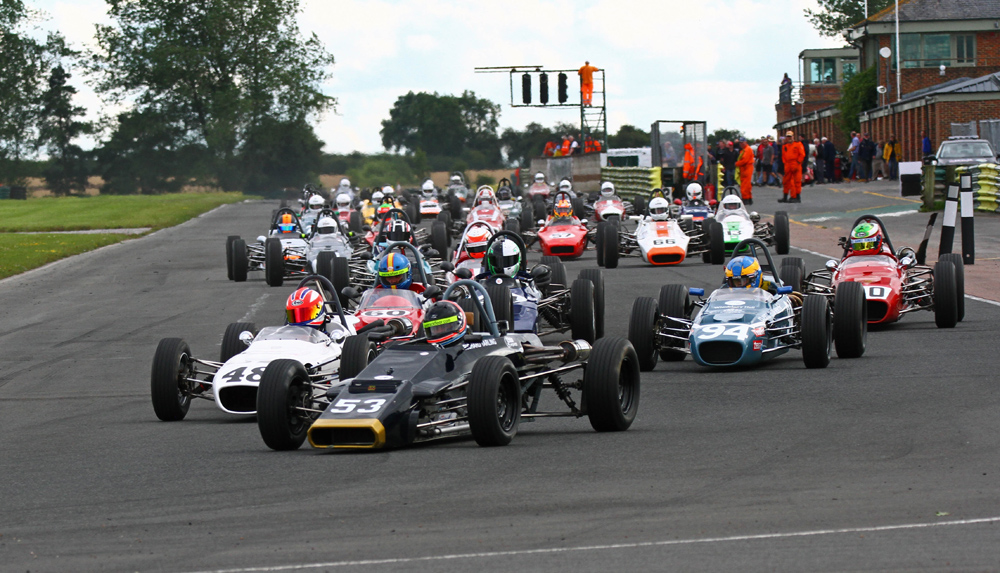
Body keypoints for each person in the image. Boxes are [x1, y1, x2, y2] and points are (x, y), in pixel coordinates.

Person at [780, 130, 804, 203]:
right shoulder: (785, 146)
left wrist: (797, 162)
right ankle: (785, 196)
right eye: (788, 136)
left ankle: (796, 197)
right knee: (786, 181)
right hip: (788, 165)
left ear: (793, 137)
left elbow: (802, 154)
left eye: (790, 136)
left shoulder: (798, 144)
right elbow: (783, 156)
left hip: (795, 164)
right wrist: (785, 163)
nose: (789, 138)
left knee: (796, 182)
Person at [735, 138, 755, 204]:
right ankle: (749, 199)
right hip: (744, 168)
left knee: (745, 185)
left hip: (746, 167)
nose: (741, 144)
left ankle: (745, 199)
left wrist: (737, 163)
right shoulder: (744, 150)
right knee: (747, 185)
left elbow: (744, 160)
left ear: (745, 142)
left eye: (742, 142)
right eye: (740, 143)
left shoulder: (747, 149)